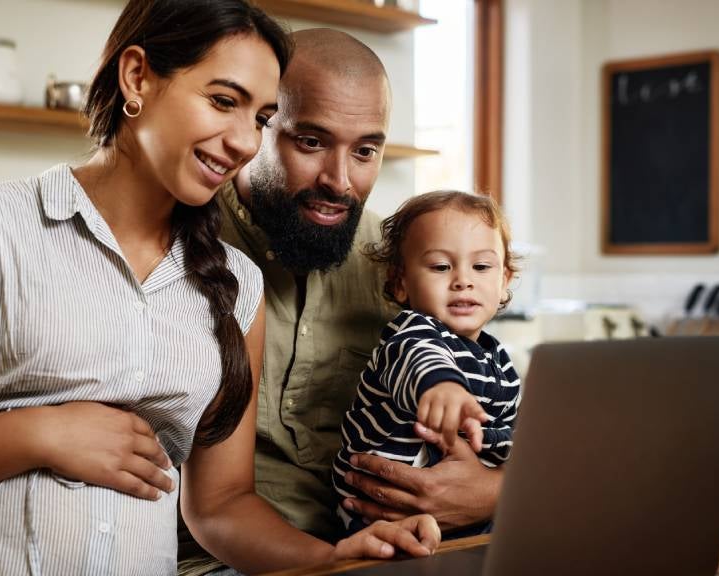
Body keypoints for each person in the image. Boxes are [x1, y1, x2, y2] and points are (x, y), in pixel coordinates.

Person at [0, 1, 439, 574]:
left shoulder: (237, 287)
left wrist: (334, 559)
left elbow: (220, 507)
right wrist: (39, 433)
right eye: (223, 101)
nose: (243, 141)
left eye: (261, 118)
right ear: (137, 76)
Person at [175, 27, 503, 574]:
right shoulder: (184, 251)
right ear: (259, 127)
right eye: (310, 142)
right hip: (222, 562)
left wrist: (492, 490)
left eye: (366, 151)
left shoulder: (401, 261)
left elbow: (484, 405)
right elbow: (212, 507)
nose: (340, 181)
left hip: (395, 552)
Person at [332, 191, 521, 537]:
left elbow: (510, 432)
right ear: (400, 284)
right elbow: (419, 358)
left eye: (481, 266)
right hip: (382, 517)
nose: (463, 280)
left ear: (504, 282)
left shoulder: (501, 364)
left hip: (468, 515)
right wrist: (443, 386)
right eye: (440, 267)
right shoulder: (410, 332)